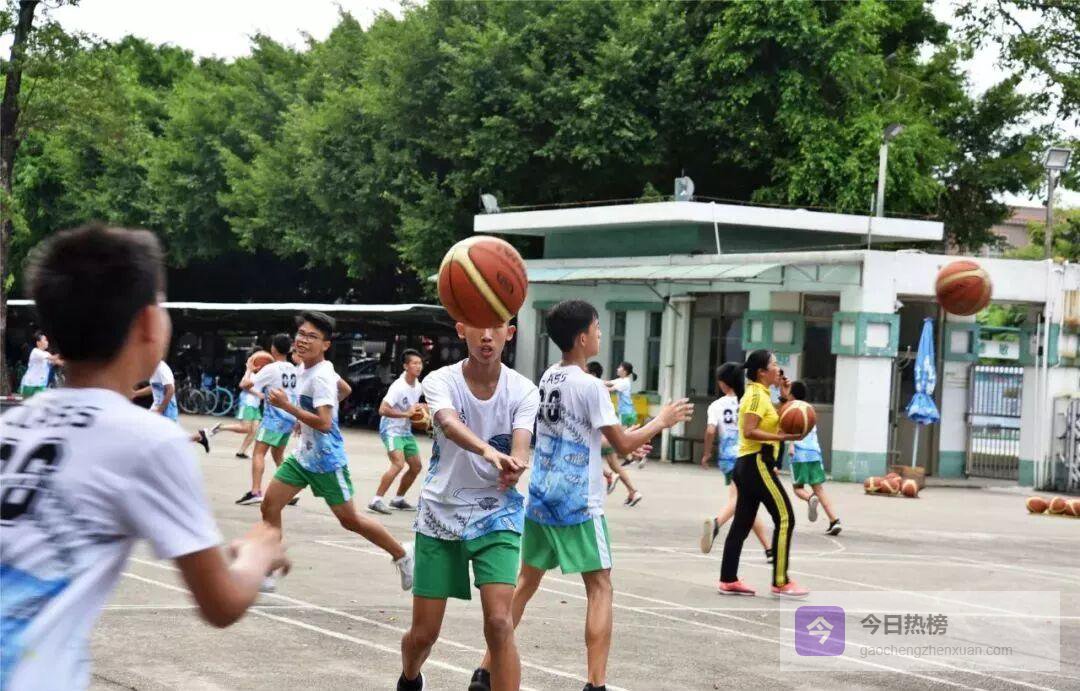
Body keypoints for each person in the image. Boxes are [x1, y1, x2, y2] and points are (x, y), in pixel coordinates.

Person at [0, 224, 290, 691]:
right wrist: (256, 555)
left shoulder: (13, 423)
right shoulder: (146, 441)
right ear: (148, 324)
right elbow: (220, 602)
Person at [473, 300, 693, 691]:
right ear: (581, 338)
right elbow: (622, 444)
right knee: (600, 586)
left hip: (542, 496)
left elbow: (580, 435)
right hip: (577, 501)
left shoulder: (549, 377)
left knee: (526, 581)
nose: (600, 334)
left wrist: (623, 441)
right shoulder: (590, 385)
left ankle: (485, 670)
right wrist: (660, 421)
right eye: (597, 327)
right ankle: (596, 683)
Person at [399, 319, 539, 691]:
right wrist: (488, 451)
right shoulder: (440, 380)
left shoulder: (524, 390)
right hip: (440, 514)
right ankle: (410, 677)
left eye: (496, 327)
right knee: (423, 635)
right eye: (478, 326)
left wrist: (516, 465)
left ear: (510, 333)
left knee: (500, 622)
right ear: (462, 330)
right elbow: (447, 422)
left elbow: (522, 442)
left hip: (497, 515)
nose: (487, 336)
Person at [259, 312, 413, 594]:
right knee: (270, 505)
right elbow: (345, 389)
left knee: (349, 520)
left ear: (326, 344)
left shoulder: (320, 377)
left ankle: (402, 554)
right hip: (303, 457)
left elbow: (325, 423)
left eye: (312, 337)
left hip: (326, 461)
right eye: (301, 334)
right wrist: (303, 418)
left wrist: (289, 408)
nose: (303, 340)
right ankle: (269, 568)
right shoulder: (314, 368)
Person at [718, 349, 809, 599]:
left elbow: (776, 419)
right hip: (757, 461)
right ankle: (781, 581)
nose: (779, 369)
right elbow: (750, 430)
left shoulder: (762, 394)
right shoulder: (756, 395)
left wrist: (784, 397)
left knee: (742, 523)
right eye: (774, 364)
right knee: (785, 517)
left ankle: (728, 579)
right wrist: (783, 437)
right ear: (761, 372)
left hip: (748, 464)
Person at [699, 363, 773, 560]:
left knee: (746, 503)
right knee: (742, 500)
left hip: (727, 457)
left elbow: (710, 431)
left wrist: (706, 453)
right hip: (747, 455)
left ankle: (769, 549)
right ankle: (717, 523)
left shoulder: (716, 405)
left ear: (723, 383)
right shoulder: (749, 400)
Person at [233, 335, 298, 506]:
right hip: (289, 418)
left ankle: (255, 492)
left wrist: (249, 368)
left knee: (258, 453)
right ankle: (289, 493)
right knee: (278, 455)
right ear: (289, 349)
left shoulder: (271, 369)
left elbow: (244, 385)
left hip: (274, 419)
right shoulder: (293, 368)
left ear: (273, 348)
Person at [370, 348, 425, 514]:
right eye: (414, 363)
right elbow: (382, 409)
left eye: (420, 363)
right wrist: (405, 414)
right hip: (391, 430)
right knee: (398, 464)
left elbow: (413, 407)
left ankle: (398, 499)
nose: (418, 366)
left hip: (405, 431)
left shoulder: (418, 386)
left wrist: (423, 409)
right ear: (405, 366)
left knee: (416, 466)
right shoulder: (398, 387)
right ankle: (376, 500)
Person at [786, 381, 842, 536]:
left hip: (799, 453)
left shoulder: (791, 409)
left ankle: (810, 498)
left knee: (798, 488)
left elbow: (793, 429)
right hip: (814, 453)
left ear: (792, 394)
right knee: (819, 489)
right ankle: (834, 520)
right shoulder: (809, 409)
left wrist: (791, 445)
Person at [586, 361, 642, 507]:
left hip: (606, 433)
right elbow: (607, 383)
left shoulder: (600, 391)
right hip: (608, 432)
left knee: (584, 455)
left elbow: (608, 387)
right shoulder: (605, 386)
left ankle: (610, 475)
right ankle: (633, 491)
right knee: (614, 465)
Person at [133, 360, 214, 453]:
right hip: (157, 407)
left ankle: (199, 437)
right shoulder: (152, 369)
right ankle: (199, 437)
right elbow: (153, 387)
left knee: (171, 438)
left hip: (167, 409)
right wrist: (136, 393)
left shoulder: (161, 368)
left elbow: (170, 390)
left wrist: (160, 410)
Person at [214, 349, 267, 459]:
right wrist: (258, 394)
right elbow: (243, 385)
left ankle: (241, 452)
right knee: (246, 428)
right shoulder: (250, 373)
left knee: (254, 431)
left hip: (255, 405)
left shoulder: (260, 373)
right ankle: (220, 427)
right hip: (248, 403)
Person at [605, 362, 643, 469]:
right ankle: (636, 457)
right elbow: (607, 383)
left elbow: (610, 389)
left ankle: (632, 457)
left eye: (619, 367)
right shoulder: (621, 380)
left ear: (625, 371)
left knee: (621, 436)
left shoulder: (624, 383)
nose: (617, 369)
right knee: (628, 436)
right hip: (629, 412)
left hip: (625, 413)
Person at [18, 332, 61, 398]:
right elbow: (53, 358)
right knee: (27, 403)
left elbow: (56, 361)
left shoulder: (47, 353)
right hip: (29, 384)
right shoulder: (35, 351)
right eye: (45, 340)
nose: (47, 342)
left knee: (40, 403)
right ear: (38, 343)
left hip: (41, 384)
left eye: (47, 340)